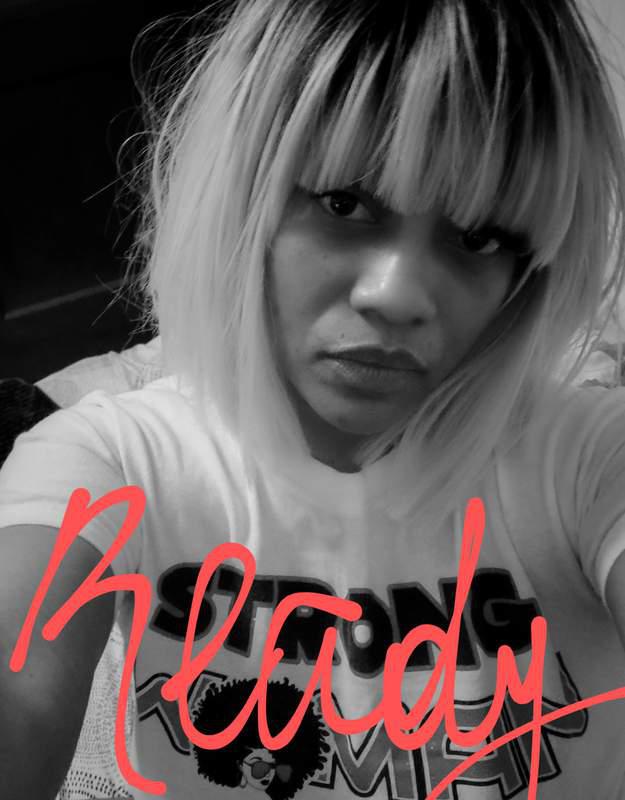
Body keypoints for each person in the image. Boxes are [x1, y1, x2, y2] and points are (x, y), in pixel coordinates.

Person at [2, 0, 625, 798]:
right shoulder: (109, 459)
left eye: (478, 238)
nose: (397, 296)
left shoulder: (585, 460)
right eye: (342, 203)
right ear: (242, 197)